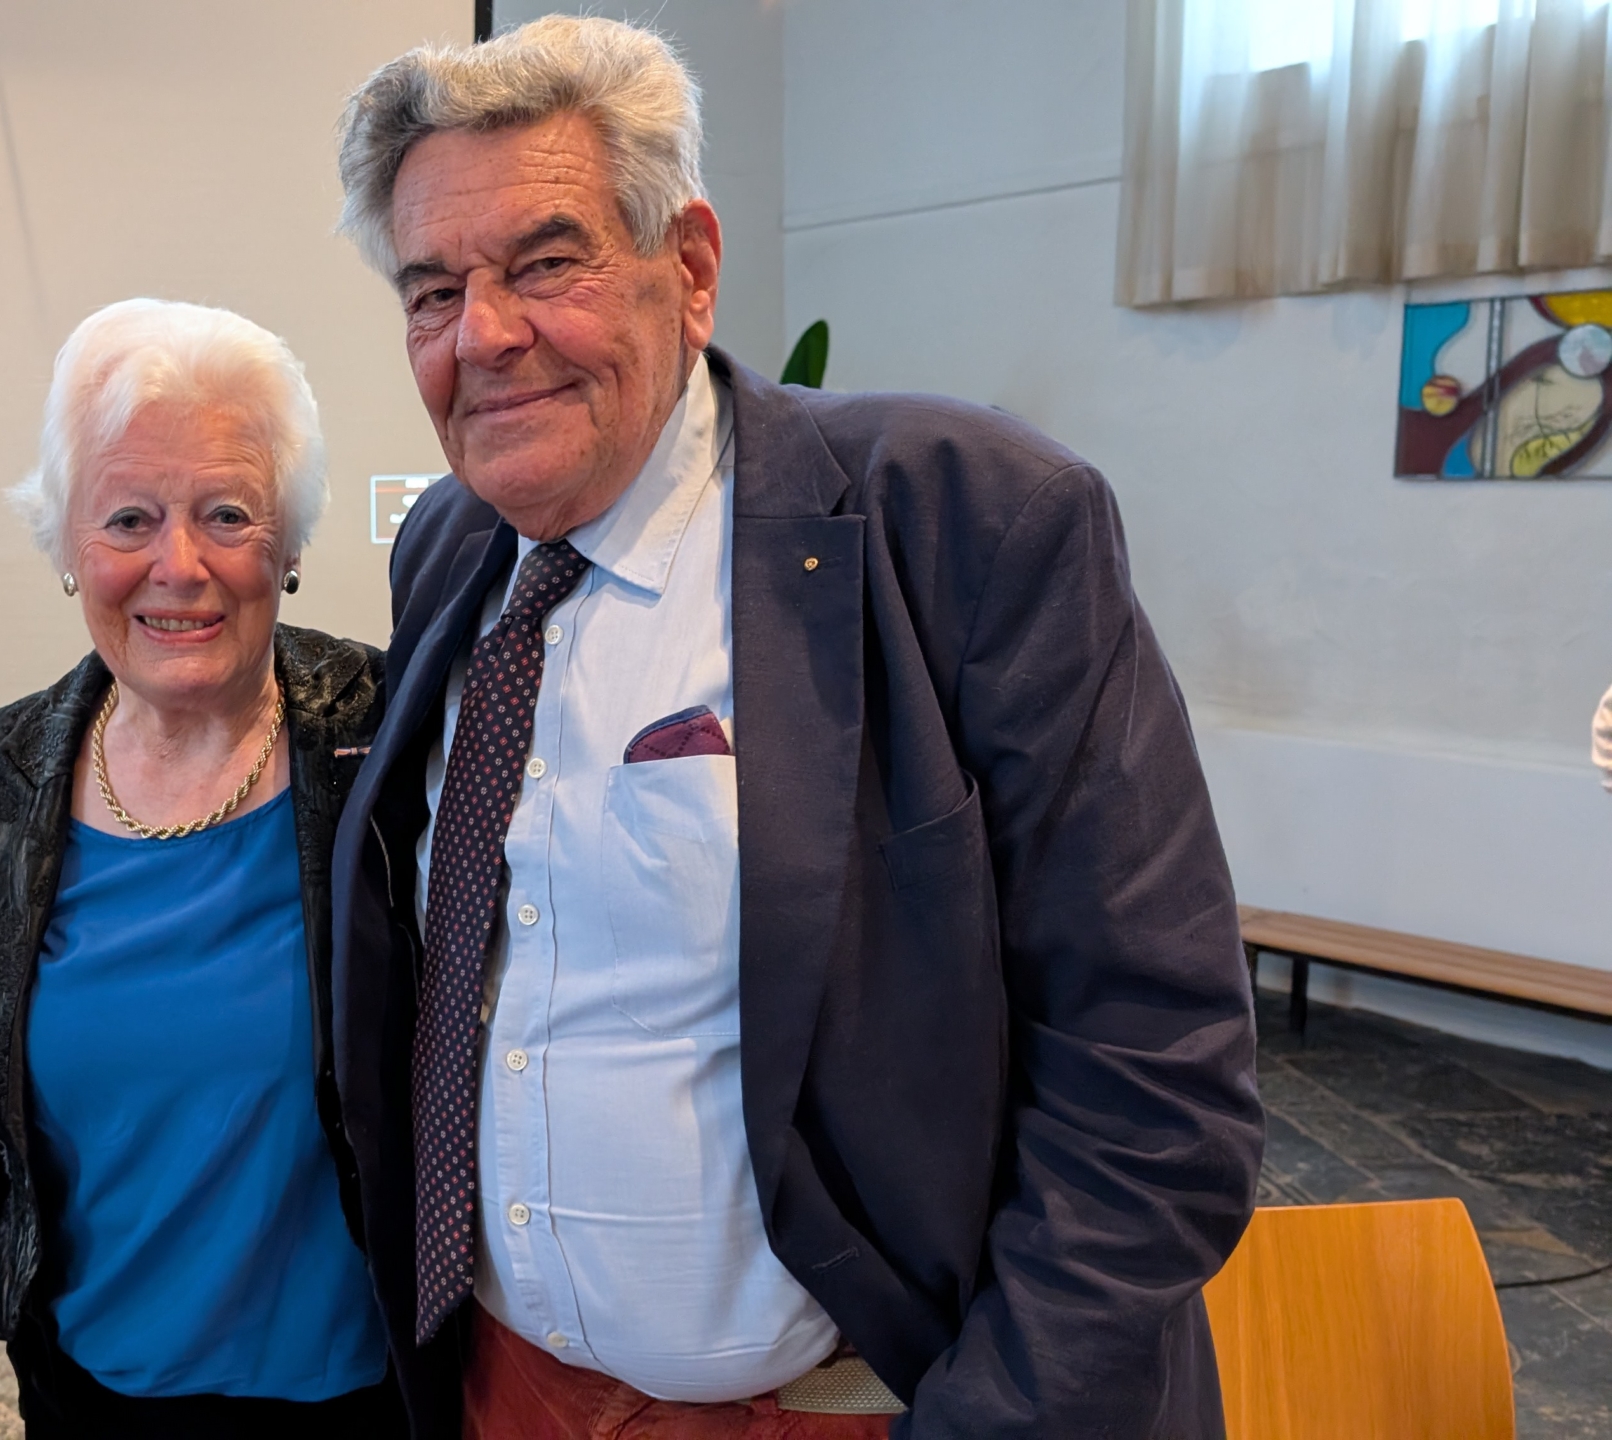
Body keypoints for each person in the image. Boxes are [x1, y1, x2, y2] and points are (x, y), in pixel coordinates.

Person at [319, 17, 1265, 1439]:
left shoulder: (966, 521)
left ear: (691, 267)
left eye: (547, 263)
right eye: (434, 290)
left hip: (853, 1408)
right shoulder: (451, 545)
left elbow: (1153, 1075)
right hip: (505, 1392)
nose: (486, 336)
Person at [0, 298, 405, 1440]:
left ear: (290, 543)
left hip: (369, 1400)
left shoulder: (390, 735)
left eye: (227, 514)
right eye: (129, 520)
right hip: (87, 1396)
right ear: (69, 548)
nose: (179, 565)